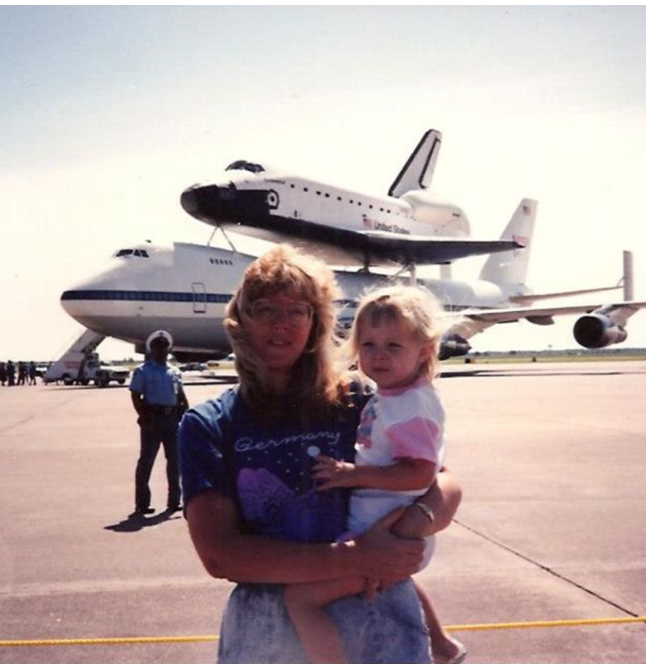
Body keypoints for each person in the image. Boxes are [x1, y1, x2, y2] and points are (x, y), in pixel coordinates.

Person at [179, 245, 462, 663]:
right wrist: (359, 555)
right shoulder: (210, 424)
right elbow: (221, 554)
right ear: (241, 320)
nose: (283, 324)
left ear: (316, 322)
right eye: (264, 309)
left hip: (382, 621)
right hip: (269, 637)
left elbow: (443, 483)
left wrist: (414, 525)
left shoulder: (360, 399)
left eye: (299, 310)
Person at [284, 285, 465, 664]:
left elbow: (419, 474)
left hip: (390, 526)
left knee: (300, 600)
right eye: (368, 345)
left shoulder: (411, 406)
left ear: (425, 351)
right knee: (399, 580)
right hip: (384, 522)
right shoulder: (392, 395)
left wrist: (352, 476)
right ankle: (442, 643)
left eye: (393, 346)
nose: (378, 355)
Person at [130, 330, 189, 516]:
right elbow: (135, 395)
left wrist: (186, 415)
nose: (161, 351)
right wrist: (143, 415)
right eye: (157, 347)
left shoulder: (174, 371)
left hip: (172, 420)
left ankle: (174, 501)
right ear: (152, 349)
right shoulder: (143, 370)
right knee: (146, 461)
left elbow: (180, 396)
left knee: (175, 461)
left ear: (168, 349)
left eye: (164, 347)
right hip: (153, 420)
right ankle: (142, 504)